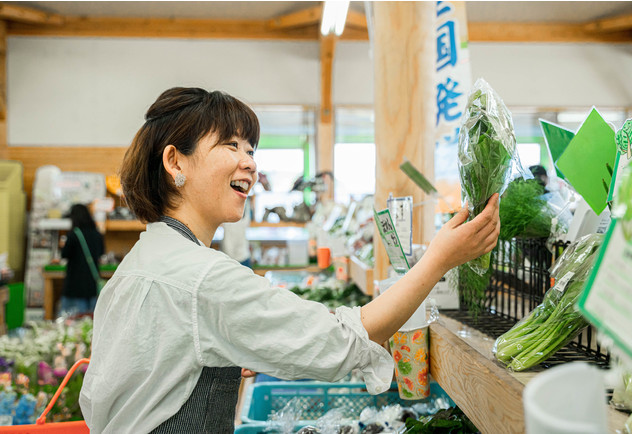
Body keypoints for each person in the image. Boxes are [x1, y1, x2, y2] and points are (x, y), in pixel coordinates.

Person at [79, 87, 500, 433]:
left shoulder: (142, 261)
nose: (250, 162)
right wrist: (440, 258)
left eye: (251, 148)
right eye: (231, 145)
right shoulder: (201, 276)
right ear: (175, 161)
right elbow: (341, 341)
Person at [59, 203, 104, 316]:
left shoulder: (73, 235)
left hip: (74, 286)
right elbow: (101, 253)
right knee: (91, 323)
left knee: (73, 323)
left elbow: (64, 255)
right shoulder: (97, 234)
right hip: (91, 285)